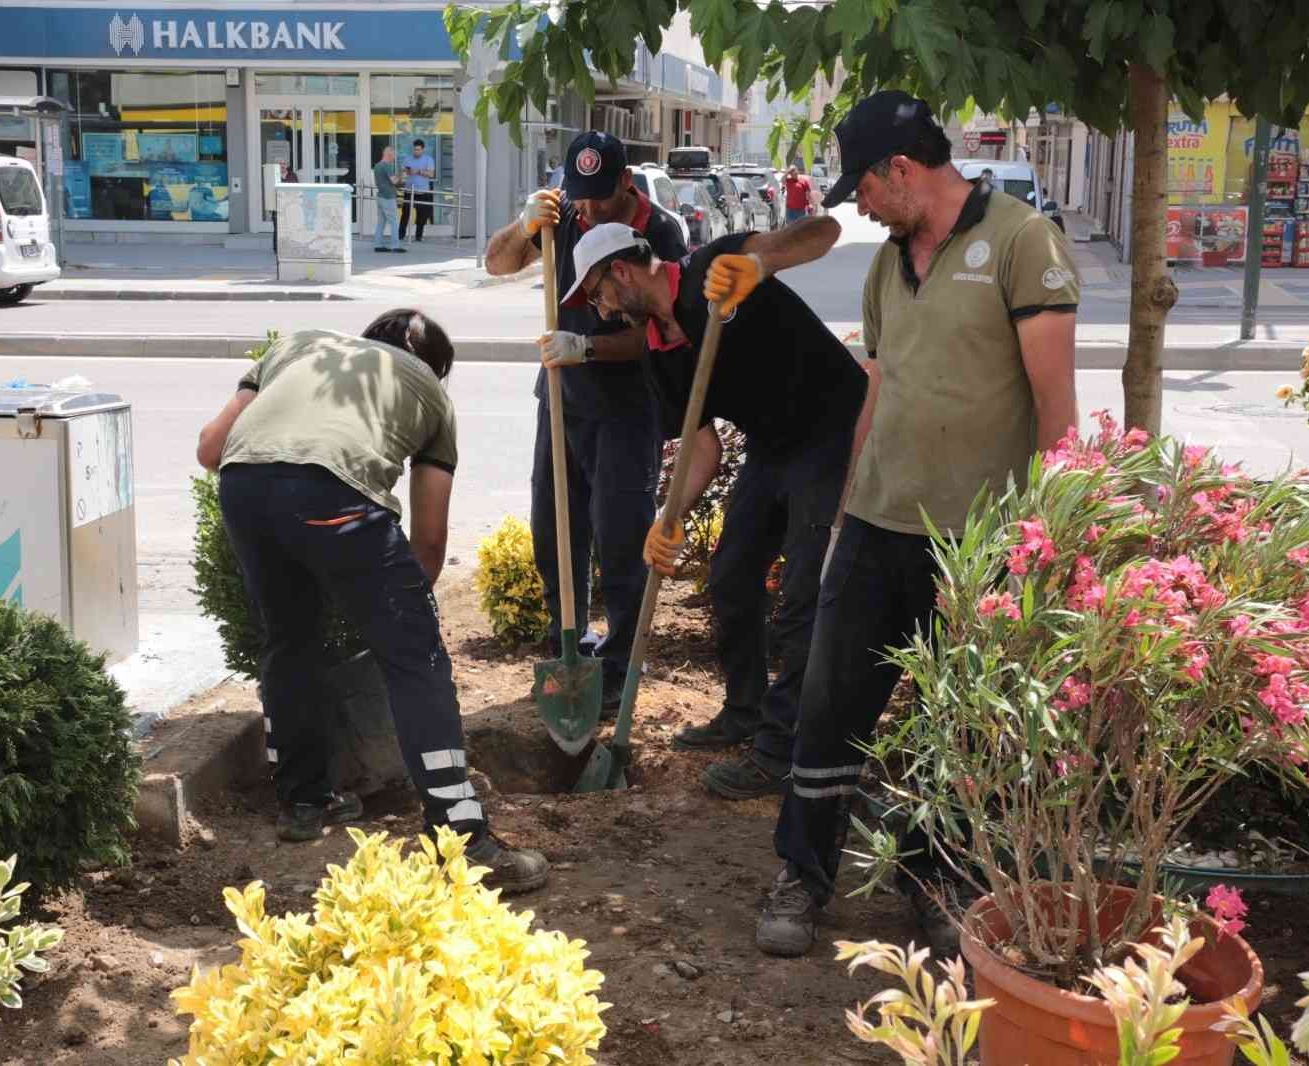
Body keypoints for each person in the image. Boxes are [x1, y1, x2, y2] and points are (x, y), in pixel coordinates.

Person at [754, 90, 1080, 959]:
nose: (856, 206)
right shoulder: (885, 263)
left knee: (956, 724)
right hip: (873, 526)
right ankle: (804, 876)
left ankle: (938, 884)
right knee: (828, 707)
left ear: (900, 170)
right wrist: (840, 514)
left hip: (977, 545)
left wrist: (1052, 543)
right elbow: (879, 391)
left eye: (860, 186)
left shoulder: (1021, 242)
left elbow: (1058, 414)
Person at [195, 311, 549, 894]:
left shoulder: (300, 343)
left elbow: (212, 449)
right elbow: (429, 543)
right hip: (336, 495)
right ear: (437, 368)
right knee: (418, 665)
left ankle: (305, 803)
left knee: (289, 640)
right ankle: (462, 844)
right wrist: (402, 620)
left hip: (244, 489)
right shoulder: (431, 393)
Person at [546, 216, 867, 807]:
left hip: (832, 433)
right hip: (771, 449)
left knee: (800, 599)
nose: (601, 310)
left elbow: (823, 231)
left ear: (620, 269)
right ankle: (744, 711)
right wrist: (666, 521)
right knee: (731, 579)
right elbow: (701, 448)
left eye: (598, 293)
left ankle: (780, 751)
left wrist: (760, 264)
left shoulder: (712, 268)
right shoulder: (658, 354)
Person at [484, 131, 688, 715]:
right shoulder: (563, 213)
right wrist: (525, 228)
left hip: (627, 405)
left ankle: (621, 664)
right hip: (561, 399)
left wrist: (590, 347)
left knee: (620, 535)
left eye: (602, 197)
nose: (590, 209)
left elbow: (662, 332)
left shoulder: (661, 232)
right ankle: (567, 646)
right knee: (555, 529)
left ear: (627, 181)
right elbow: (497, 263)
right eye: (582, 197)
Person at [399, 139, 435, 243]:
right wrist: (406, 172)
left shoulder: (428, 159)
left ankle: (418, 237)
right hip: (409, 190)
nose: (416, 152)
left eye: (418, 150)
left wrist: (418, 171)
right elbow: (403, 172)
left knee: (421, 215)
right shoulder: (407, 159)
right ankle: (400, 236)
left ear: (423, 150)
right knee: (405, 214)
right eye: (415, 149)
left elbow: (431, 174)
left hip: (422, 191)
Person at [372, 146, 405, 254]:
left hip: (380, 196)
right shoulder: (386, 166)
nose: (394, 158)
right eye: (393, 156)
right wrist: (402, 175)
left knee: (381, 222)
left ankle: (378, 244)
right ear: (389, 154)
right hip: (388, 197)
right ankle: (395, 246)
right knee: (394, 222)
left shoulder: (377, 166)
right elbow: (395, 181)